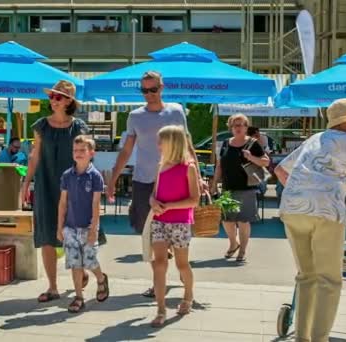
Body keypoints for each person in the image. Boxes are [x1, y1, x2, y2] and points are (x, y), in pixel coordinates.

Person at [275, 99, 346, 342]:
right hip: (326, 212)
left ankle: (302, 339)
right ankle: (319, 339)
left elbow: (281, 170)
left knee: (306, 277)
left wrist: (304, 191)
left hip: (292, 208)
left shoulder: (315, 139)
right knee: (329, 281)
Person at [106, 71, 203, 298]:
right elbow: (127, 150)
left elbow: (188, 145)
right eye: (144, 90)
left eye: (153, 89)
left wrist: (197, 176)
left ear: (162, 88)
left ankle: (178, 269)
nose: (149, 94)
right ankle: (158, 280)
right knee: (148, 233)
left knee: (176, 228)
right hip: (144, 181)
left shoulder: (176, 111)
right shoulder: (135, 116)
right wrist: (113, 179)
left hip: (175, 180)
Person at [20, 80, 88, 303]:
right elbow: (34, 156)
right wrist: (26, 183)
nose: (52, 100)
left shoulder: (78, 127)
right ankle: (52, 287)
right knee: (47, 236)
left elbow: (85, 157)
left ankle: (82, 272)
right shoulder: (41, 125)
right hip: (45, 185)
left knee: (74, 236)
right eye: (51, 97)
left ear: (69, 101)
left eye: (58, 97)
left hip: (72, 187)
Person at [148, 125, 200, 327]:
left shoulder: (189, 168)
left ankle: (188, 295)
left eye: (161, 141)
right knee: (158, 264)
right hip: (159, 221)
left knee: (182, 264)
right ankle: (160, 309)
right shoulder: (160, 167)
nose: (158, 145)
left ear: (172, 144)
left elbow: (194, 200)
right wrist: (153, 202)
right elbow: (154, 193)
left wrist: (169, 206)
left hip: (180, 222)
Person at [57, 135, 109, 313]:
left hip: (88, 226)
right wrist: (59, 227)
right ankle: (79, 296)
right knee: (74, 263)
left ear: (91, 153)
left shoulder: (95, 176)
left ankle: (101, 279)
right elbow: (63, 202)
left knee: (90, 260)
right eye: (75, 150)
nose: (78, 154)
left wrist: (94, 228)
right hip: (70, 227)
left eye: (82, 150)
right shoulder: (66, 175)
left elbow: (96, 204)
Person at [211, 114, 269, 263]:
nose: (238, 128)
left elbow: (265, 162)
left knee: (243, 221)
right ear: (230, 127)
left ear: (246, 127)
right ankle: (233, 243)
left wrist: (251, 157)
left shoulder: (253, 143)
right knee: (227, 220)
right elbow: (220, 165)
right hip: (228, 188)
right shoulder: (225, 143)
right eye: (235, 125)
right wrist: (214, 184)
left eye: (241, 125)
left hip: (247, 188)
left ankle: (242, 249)